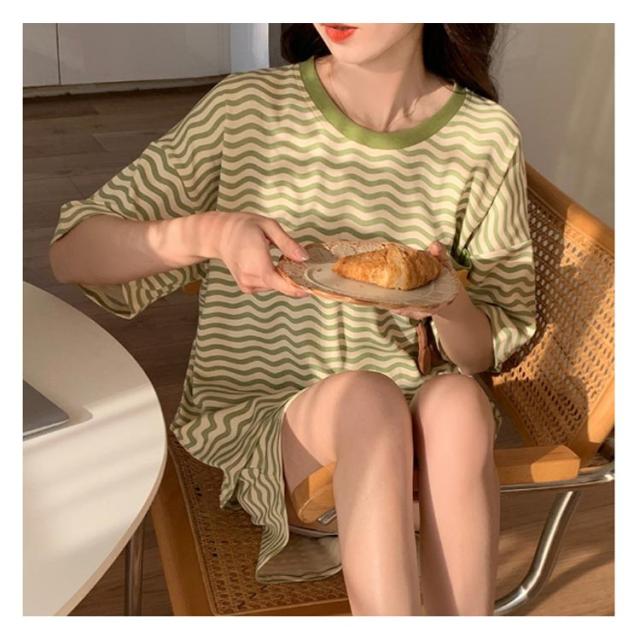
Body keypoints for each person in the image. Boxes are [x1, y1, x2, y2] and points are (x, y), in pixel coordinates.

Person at [49, 23, 537, 616]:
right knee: (367, 401)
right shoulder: (246, 110)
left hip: (417, 435)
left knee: (459, 401)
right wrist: (209, 233)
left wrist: (448, 304)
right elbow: (73, 252)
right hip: (268, 424)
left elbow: (486, 347)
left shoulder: (484, 137)